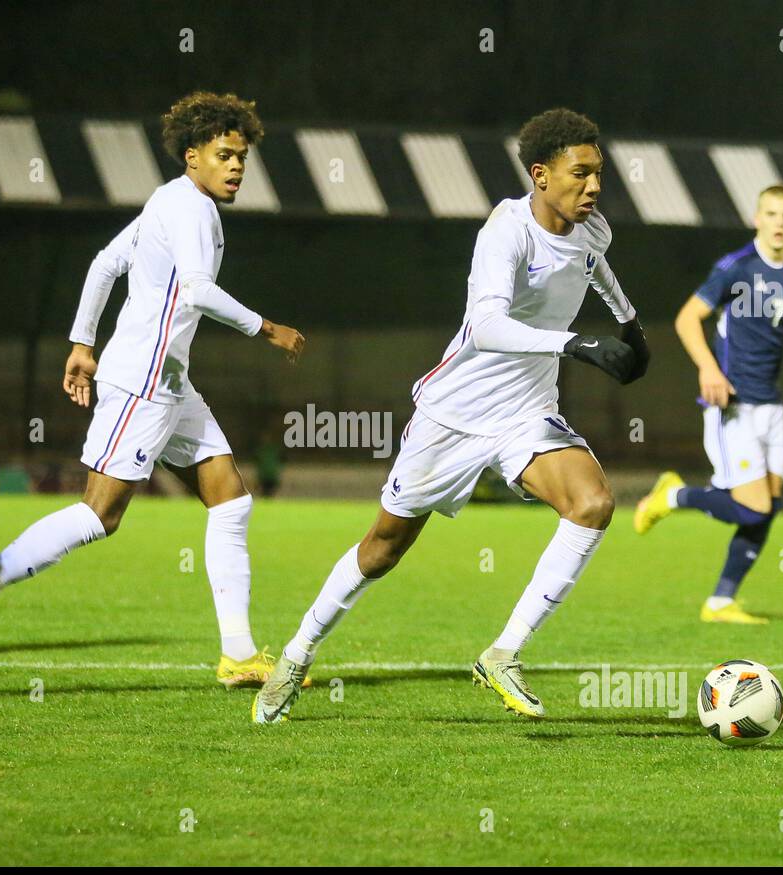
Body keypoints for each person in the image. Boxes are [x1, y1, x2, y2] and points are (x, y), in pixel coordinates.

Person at [253, 107, 649, 724]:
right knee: (383, 547)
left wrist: (630, 325)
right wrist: (575, 344)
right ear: (541, 175)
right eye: (582, 173)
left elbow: (597, 270)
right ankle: (296, 656)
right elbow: (488, 327)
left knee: (593, 504)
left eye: (599, 172)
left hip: (526, 411)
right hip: (454, 413)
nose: (595, 185)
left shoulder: (591, 228)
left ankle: (504, 652)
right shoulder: (505, 232)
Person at [0, 92, 305, 688]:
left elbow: (106, 263)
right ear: (193, 156)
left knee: (231, 501)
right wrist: (267, 327)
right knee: (99, 515)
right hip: (143, 382)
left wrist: (82, 343)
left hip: (169, 383)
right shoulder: (190, 211)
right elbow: (198, 290)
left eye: (242, 157)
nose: (236, 167)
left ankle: (237, 655)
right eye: (225, 155)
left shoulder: (168, 199)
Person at [633, 183, 783, 623]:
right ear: (756, 218)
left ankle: (721, 602)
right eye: (771, 214)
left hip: (772, 407)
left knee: (770, 505)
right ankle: (675, 496)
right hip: (733, 404)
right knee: (752, 507)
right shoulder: (734, 267)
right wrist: (709, 370)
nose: (780, 223)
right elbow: (687, 318)